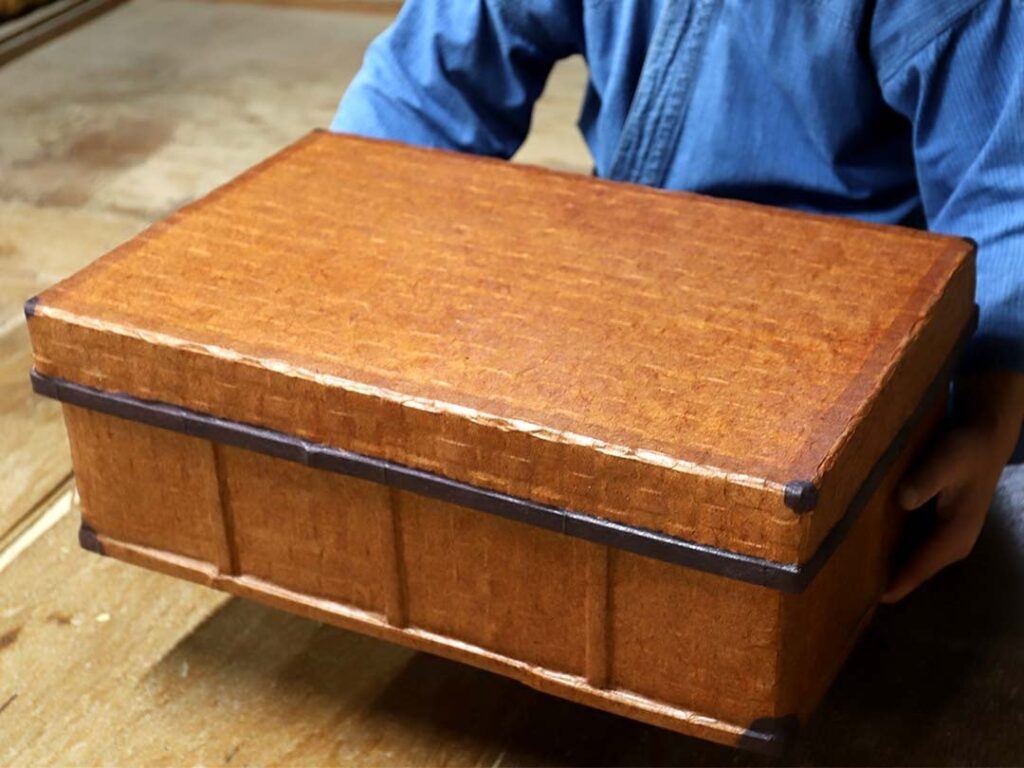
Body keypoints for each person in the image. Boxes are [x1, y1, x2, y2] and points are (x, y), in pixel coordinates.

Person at [331, 0, 1024, 602]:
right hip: (618, 294)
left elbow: (1003, 185)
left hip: (835, 355)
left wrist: (991, 406)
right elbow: (425, 85)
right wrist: (331, 243)